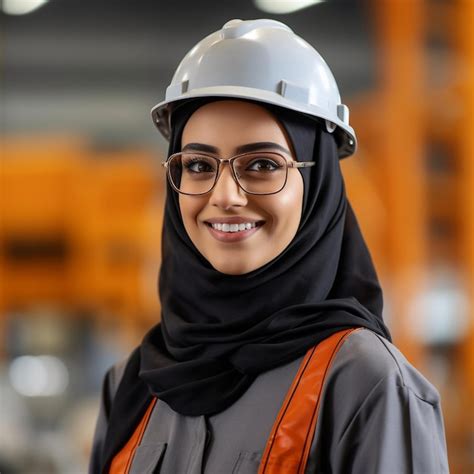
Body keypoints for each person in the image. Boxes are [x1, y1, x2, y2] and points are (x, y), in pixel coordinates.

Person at [89, 19, 449, 473]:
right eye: (198, 164)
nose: (225, 195)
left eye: (262, 163)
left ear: (317, 186)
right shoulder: (130, 385)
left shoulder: (363, 383)